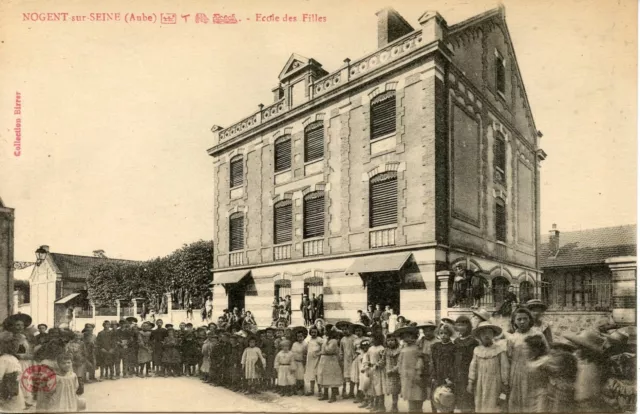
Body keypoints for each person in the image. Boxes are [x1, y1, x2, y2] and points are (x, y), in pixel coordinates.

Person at [507, 307, 548, 413]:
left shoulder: (537, 334)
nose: (522, 322)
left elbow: (546, 354)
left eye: (525, 319)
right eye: (519, 319)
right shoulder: (512, 338)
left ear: (530, 319)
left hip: (534, 372)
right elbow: (509, 357)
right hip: (516, 374)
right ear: (514, 321)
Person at [467, 321, 509, 413]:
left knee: (493, 405)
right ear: (479, 336)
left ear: (493, 335)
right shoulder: (477, 350)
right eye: (483, 333)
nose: (486, 335)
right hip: (480, 382)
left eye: (489, 333)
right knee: (480, 403)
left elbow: (504, 368)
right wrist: (470, 382)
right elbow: (473, 367)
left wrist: (505, 383)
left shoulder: (499, 350)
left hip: (495, 382)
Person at [564, 329, 609, 412]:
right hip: (578, 403)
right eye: (577, 347)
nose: (577, 351)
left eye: (580, 348)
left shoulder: (594, 366)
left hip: (589, 405)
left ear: (589, 351)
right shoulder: (579, 363)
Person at [452, 316, 478, 413]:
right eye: (458, 325)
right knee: (460, 401)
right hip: (457, 374)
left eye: (463, 325)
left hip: (468, 373)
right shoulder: (456, 341)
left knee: (469, 400)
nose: (461, 327)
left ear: (468, 326)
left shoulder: (473, 342)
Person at [396, 326, 424, 412]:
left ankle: (419, 410)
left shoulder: (417, 348)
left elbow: (420, 361)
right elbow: (400, 362)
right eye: (405, 336)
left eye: (409, 336)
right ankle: (411, 410)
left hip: (415, 375)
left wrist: (418, 373)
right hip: (406, 376)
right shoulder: (403, 349)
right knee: (409, 395)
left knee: (418, 395)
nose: (407, 338)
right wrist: (399, 371)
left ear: (414, 336)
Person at [0, 331, 24, 412]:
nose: (16, 348)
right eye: (13, 346)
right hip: (7, 390)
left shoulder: (13, 358)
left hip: (14, 390)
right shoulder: (4, 359)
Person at [316, 327, 342, 403]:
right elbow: (323, 350)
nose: (324, 332)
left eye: (326, 331)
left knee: (331, 377)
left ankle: (333, 396)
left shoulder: (333, 341)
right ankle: (325, 394)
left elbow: (329, 350)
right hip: (324, 360)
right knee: (324, 376)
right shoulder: (326, 340)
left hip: (331, 360)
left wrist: (325, 345)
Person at [365, 333, 386, 412]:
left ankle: (382, 406)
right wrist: (367, 365)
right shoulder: (370, 348)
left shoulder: (381, 348)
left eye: (374, 338)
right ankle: (375, 405)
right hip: (372, 370)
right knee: (373, 388)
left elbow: (383, 360)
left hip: (379, 371)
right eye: (371, 338)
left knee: (379, 388)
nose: (372, 340)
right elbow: (367, 358)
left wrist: (377, 365)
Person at [383, 333, 401, 413]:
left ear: (396, 341)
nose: (390, 342)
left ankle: (394, 406)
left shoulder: (399, 350)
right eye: (388, 340)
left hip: (395, 373)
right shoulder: (386, 350)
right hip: (387, 372)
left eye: (392, 340)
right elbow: (383, 360)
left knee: (395, 391)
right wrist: (377, 364)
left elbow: (400, 363)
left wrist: (393, 370)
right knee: (390, 389)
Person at [304, 326, 323, 396]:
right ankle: (311, 390)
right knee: (311, 375)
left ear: (317, 332)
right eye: (312, 332)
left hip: (317, 360)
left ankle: (320, 390)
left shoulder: (320, 339)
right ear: (310, 333)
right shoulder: (309, 340)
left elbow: (323, 348)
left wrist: (319, 353)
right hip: (310, 360)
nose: (313, 333)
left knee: (317, 375)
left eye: (315, 332)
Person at [339, 321, 356, 399]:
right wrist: (341, 358)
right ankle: (344, 390)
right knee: (345, 375)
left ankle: (351, 392)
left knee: (353, 375)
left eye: (346, 329)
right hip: (346, 360)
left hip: (353, 359)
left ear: (350, 329)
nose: (344, 331)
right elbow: (341, 350)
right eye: (343, 330)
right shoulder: (342, 339)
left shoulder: (354, 338)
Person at [291, 327, 307, 396]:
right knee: (294, 376)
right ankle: (295, 389)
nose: (299, 338)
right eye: (298, 337)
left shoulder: (305, 344)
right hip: (295, 361)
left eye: (301, 336)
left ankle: (301, 389)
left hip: (301, 362)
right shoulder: (294, 344)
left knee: (300, 376)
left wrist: (304, 362)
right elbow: (292, 353)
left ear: (303, 337)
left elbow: (306, 354)